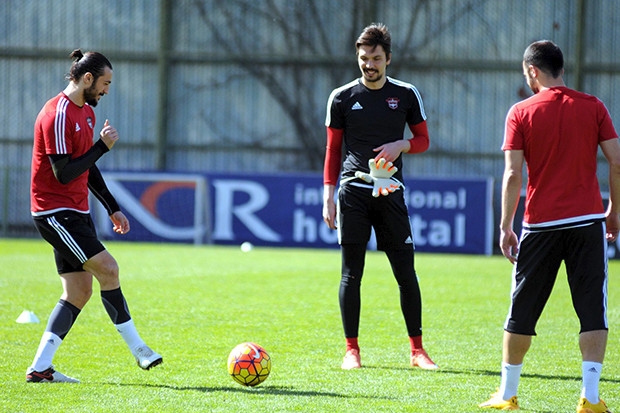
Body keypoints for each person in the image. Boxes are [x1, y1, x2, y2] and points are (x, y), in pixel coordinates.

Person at [479, 40, 620, 412]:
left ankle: (508, 395)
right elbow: (617, 162)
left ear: (532, 71)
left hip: (540, 224)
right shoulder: (593, 107)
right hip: (587, 221)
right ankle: (590, 399)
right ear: (560, 68)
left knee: (521, 308)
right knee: (592, 309)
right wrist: (614, 211)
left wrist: (505, 226)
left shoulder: (520, 112)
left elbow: (512, 174)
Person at [27, 49, 162, 383]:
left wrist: (112, 206)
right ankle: (140, 351)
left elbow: (87, 168)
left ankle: (40, 368)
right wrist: (101, 147)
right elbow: (63, 172)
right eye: (105, 83)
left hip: (76, 212)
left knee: (78, 292)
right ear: (87, 78)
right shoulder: (57, 114)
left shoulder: (85, 112)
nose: (106, 90)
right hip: (54, 213)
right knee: (109, 269)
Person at [322, 23, 437, 371]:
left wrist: (401, 144)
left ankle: (418, 351)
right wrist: (328, 196)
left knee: (406, 272)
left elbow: (423, 141)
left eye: (375, 58)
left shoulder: (406, 94)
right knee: (350, 274)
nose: (369, 65)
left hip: (391, 192)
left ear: (388, 59)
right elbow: (332, 150)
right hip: (353, 192)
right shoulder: (341, 97)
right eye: (363, 58)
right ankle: (351, 350)